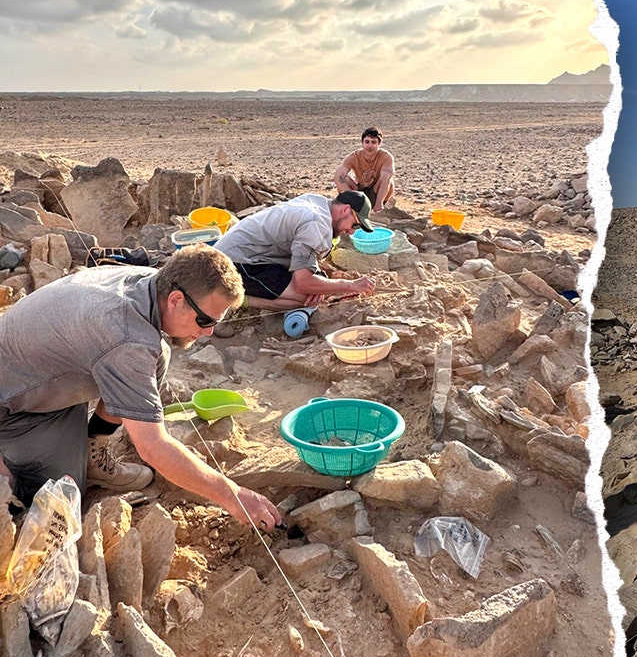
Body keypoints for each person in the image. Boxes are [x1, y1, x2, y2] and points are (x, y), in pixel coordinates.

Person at [0, 245, 282, 529]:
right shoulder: (127, 339)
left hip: (43, 378)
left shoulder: (149, 282)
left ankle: (93, 446)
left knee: (159, 352)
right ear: (175, 299)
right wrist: (233, 496)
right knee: (60, 495)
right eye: (205, 320)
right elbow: (152, 446)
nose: (208, 332)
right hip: (11, 407)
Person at [213, 190, 379, 312]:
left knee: (317, 287)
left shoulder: (317, 202)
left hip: (246, 253)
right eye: (355, 224)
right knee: (305, 299)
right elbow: (303, 283)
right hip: (234, 263)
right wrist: (351, 286)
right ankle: (236, 299)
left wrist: (318, 281)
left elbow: (304, 257)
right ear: (344, 209)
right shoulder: (316, 223)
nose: (352, 232)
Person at [334, 127, 395, 213]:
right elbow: (339, 174)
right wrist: (349, 195)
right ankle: (351, 204)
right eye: (367, 142)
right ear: (362, 143)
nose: (369, 145)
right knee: (344, 178)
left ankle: (378, 207)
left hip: (376, 192)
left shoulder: (386, 157)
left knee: (387, 177)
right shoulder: (354, 156)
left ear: (379, 144)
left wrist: (378, 203)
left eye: (373, 142)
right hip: (359, 192)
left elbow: (387, 175)